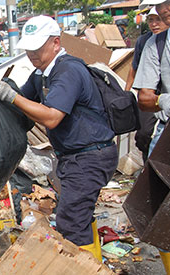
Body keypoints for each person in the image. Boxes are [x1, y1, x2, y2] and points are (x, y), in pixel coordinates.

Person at [0, 15, 118, 261]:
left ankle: (83, 267)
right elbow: (22, 101)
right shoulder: (42, 73)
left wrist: (11, 97)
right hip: (74, 157)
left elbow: (51, 117)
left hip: (90, 156)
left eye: (37, 48)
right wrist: (2, 94)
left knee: (70, 223)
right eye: (28, 49)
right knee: (79, 215)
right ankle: (95, 265)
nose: (31, 54)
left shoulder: (68, 70)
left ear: (56, 43)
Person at [133, 1, 170, 273]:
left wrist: (162, 100)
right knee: (163, 218)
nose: (163, 10)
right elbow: (145, 99)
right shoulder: (155, 45)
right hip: (167, 136)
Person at [125, 7, 168, 163]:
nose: (154, 24)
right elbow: (134, 67)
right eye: (151, 20)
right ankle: (147, 163)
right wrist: (127, 91)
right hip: (151, 95)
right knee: (143, 133)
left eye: (158, 19)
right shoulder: (146, 42)